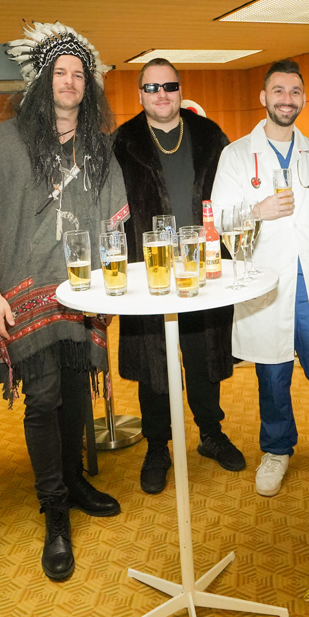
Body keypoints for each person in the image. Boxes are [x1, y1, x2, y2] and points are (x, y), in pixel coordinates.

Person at [0, 21, 129, 580]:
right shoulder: (0, 142)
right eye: (59, 73)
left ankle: (75, 480)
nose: (69, 82)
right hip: (24, 290)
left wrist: (110, 286)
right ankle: (55, 509)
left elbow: (114, 226)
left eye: (79, 75)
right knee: (42, 399)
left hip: (81, 290)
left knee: (74, 390)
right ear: (41, 80)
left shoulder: (98, 147)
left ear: (89, 86)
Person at [212, 59, 309, 497]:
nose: (287, 99)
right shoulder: (236, 155)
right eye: (279, 91)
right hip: (267, 283)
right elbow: (219, 220)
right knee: (272, 374)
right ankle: (277, 450)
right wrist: (257, 211)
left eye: (295, 91)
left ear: (302, 99)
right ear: (264, 97)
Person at [113, 58, 244, 494]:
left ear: (180, 90)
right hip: (148, 274)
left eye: (169, 86)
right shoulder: (123, 142)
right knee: (155, 366)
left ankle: (211, 433)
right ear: (140, 94)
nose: (162, 94)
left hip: (203, 270)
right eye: (152, 87)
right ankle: (157, 446)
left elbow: (232, 198)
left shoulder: (210, 136)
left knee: (204, 358)